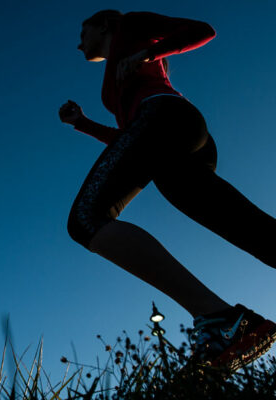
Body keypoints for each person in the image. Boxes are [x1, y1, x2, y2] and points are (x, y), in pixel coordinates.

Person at [58, 9, 276, 370]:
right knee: (248, 228)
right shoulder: (118, 72)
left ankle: (222, 320)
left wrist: (147, 54)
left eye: (83, 30)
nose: (78, 41)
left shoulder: (129, 25)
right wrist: (82, 124)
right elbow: (128, 140)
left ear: (104, 24)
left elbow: (203, 30)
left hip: (164, 119)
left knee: (86, 219)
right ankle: (225, 321)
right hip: (169, 132)